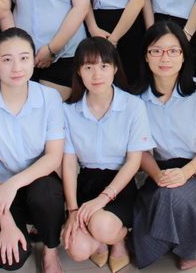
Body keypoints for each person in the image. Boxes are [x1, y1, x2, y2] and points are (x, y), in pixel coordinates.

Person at [0, 28, 66, 273]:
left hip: (38, 183)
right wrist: (7, 224)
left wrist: (14, 184)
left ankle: (50, 252)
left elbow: (54, 157)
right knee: (10, 261)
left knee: (46, 192)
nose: (17, 68)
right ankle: (18, 225)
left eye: (24, 58)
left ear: (33, 60)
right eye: (7, 60)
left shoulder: (49, 98)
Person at [133, 22, 196, 270]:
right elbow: (140, 151)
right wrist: (158, 176)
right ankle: (182, 231)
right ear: (146, 56)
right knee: (144, 237)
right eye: (156, 51)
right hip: (161, 172)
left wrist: (186, 172)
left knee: (173, 196)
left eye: (173, 51)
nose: (165, 58)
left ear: (183, 56)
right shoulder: (137, 99)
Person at [61, 38, 153, 272]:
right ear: (78, 71)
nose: (97, 75)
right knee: (77, 249)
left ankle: (118, 238)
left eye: (104, 66)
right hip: (86, 182)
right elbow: (68, 163)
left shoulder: (133, 106)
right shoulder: (68, 110)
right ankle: (101, 238)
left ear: (115, 68)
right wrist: (72, 210)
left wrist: (103, 199)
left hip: (119, 184)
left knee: (102, 225)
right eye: (88, 67)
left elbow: (134, 161)